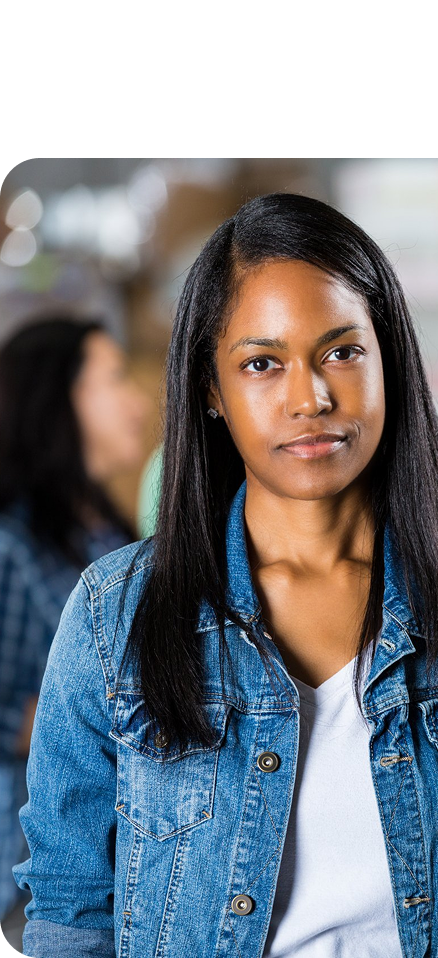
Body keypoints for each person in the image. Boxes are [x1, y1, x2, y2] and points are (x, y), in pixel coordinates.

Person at [13, 193, 438, 956]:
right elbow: (69, 916)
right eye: (262, 363)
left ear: (390, 360)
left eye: (342, 352)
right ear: (211, 391)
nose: (310, 397)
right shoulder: (114, 616)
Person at [0, 318, 146, 929]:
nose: (137, 401)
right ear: (59, 399)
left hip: (123, 858)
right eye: (114, 379)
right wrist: (62, 714)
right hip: (28, 870)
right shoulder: (13, 543)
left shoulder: (111, 534)